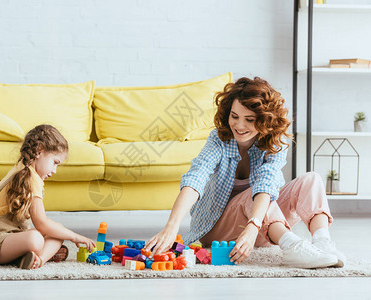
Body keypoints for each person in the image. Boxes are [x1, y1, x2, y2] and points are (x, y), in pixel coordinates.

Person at [145, 77, 346, 269]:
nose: (239, 126)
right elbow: (196, 177)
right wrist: (171, 226)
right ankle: (292, 247)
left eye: (249, 119)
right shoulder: (219, 139)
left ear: (265, 120)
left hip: (259, 227)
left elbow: (267, 183)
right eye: (235, 116)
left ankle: (322, 243)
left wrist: (252, 227)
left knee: (311, 179)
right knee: (255, 195)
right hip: (217, 228)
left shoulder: (276, 141)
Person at [0, 124, 95, 269]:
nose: (55, 170)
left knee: (58, 230)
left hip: (9, 238)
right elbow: (41, 223)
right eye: (54, 163)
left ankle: (35, 259)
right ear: (39, 150)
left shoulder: (24, 169)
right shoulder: (30, 176)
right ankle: (41, 255)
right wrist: (75, 236)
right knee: (36, 238)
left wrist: (65, 234)